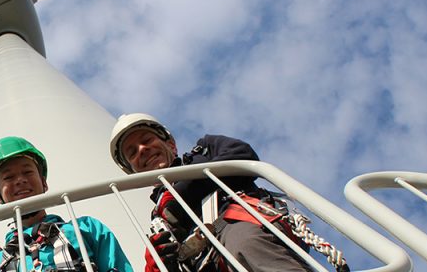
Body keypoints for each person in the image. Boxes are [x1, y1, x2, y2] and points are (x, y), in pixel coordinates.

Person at [109, 114, 313, 272]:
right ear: (133, 171)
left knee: (244, 243)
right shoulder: (158, 218)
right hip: (205, 263)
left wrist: (181, 195)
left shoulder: (205, 150)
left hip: (239, 225)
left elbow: (242, 155)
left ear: (171, 144)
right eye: (132, 153)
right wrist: (159, 260)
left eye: (146, 140)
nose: (142, 150)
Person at [0, 136, 133, 272]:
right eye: (9, 177)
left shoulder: (87, 228)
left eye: (27, 172)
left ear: (44, 183)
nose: (20, 180)